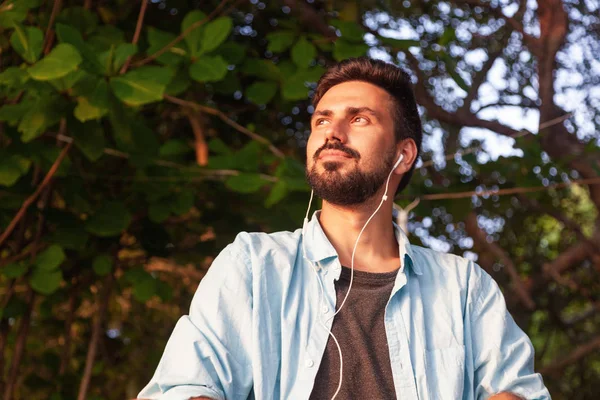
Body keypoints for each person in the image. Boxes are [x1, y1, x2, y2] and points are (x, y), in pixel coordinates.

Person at [138, 57, 551, 400]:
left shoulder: (463, 287)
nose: (332, 133)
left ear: (403, 155)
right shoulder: (254, 264)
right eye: (322, 121)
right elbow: (182, 388)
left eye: (359, 119)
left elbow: (518, 391)